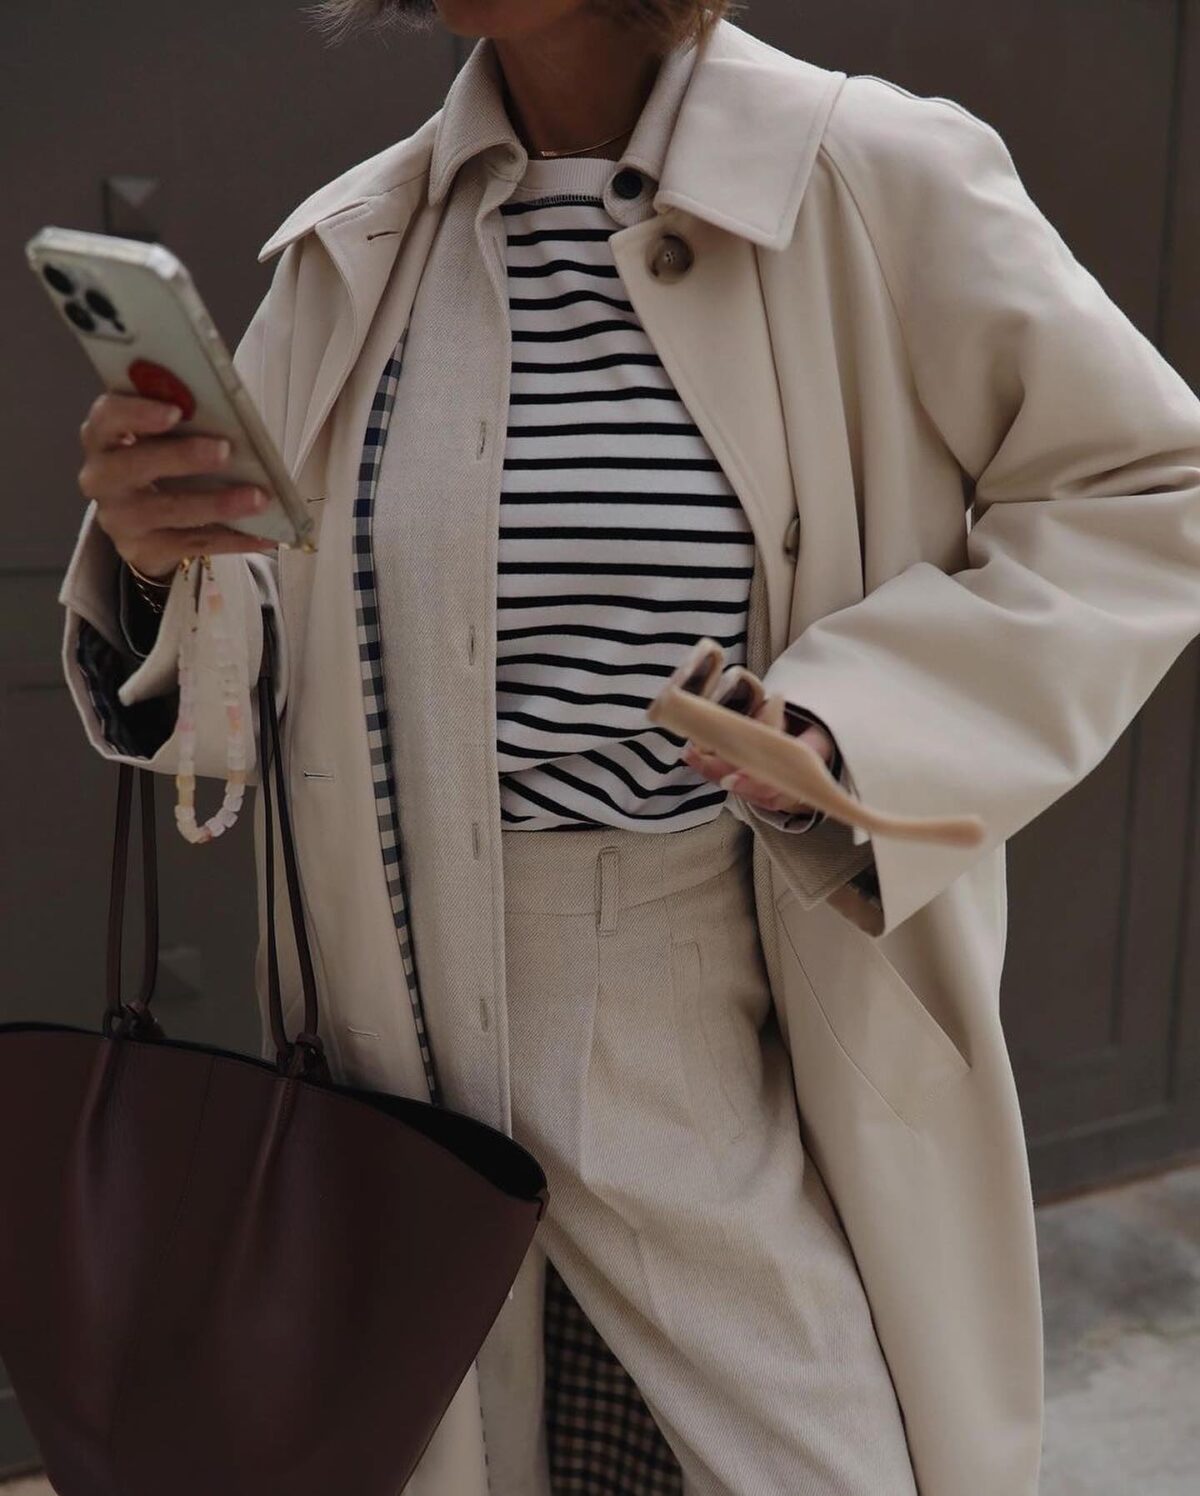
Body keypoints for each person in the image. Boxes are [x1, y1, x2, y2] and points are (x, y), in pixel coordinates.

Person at [59, 3, 1200, 1493]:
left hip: (698, 1012)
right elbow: (266, 643)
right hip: (381, 1029)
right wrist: (160, 558)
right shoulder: (361, 242)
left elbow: (1148, 489)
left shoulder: (871, 172)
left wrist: (861, 719)